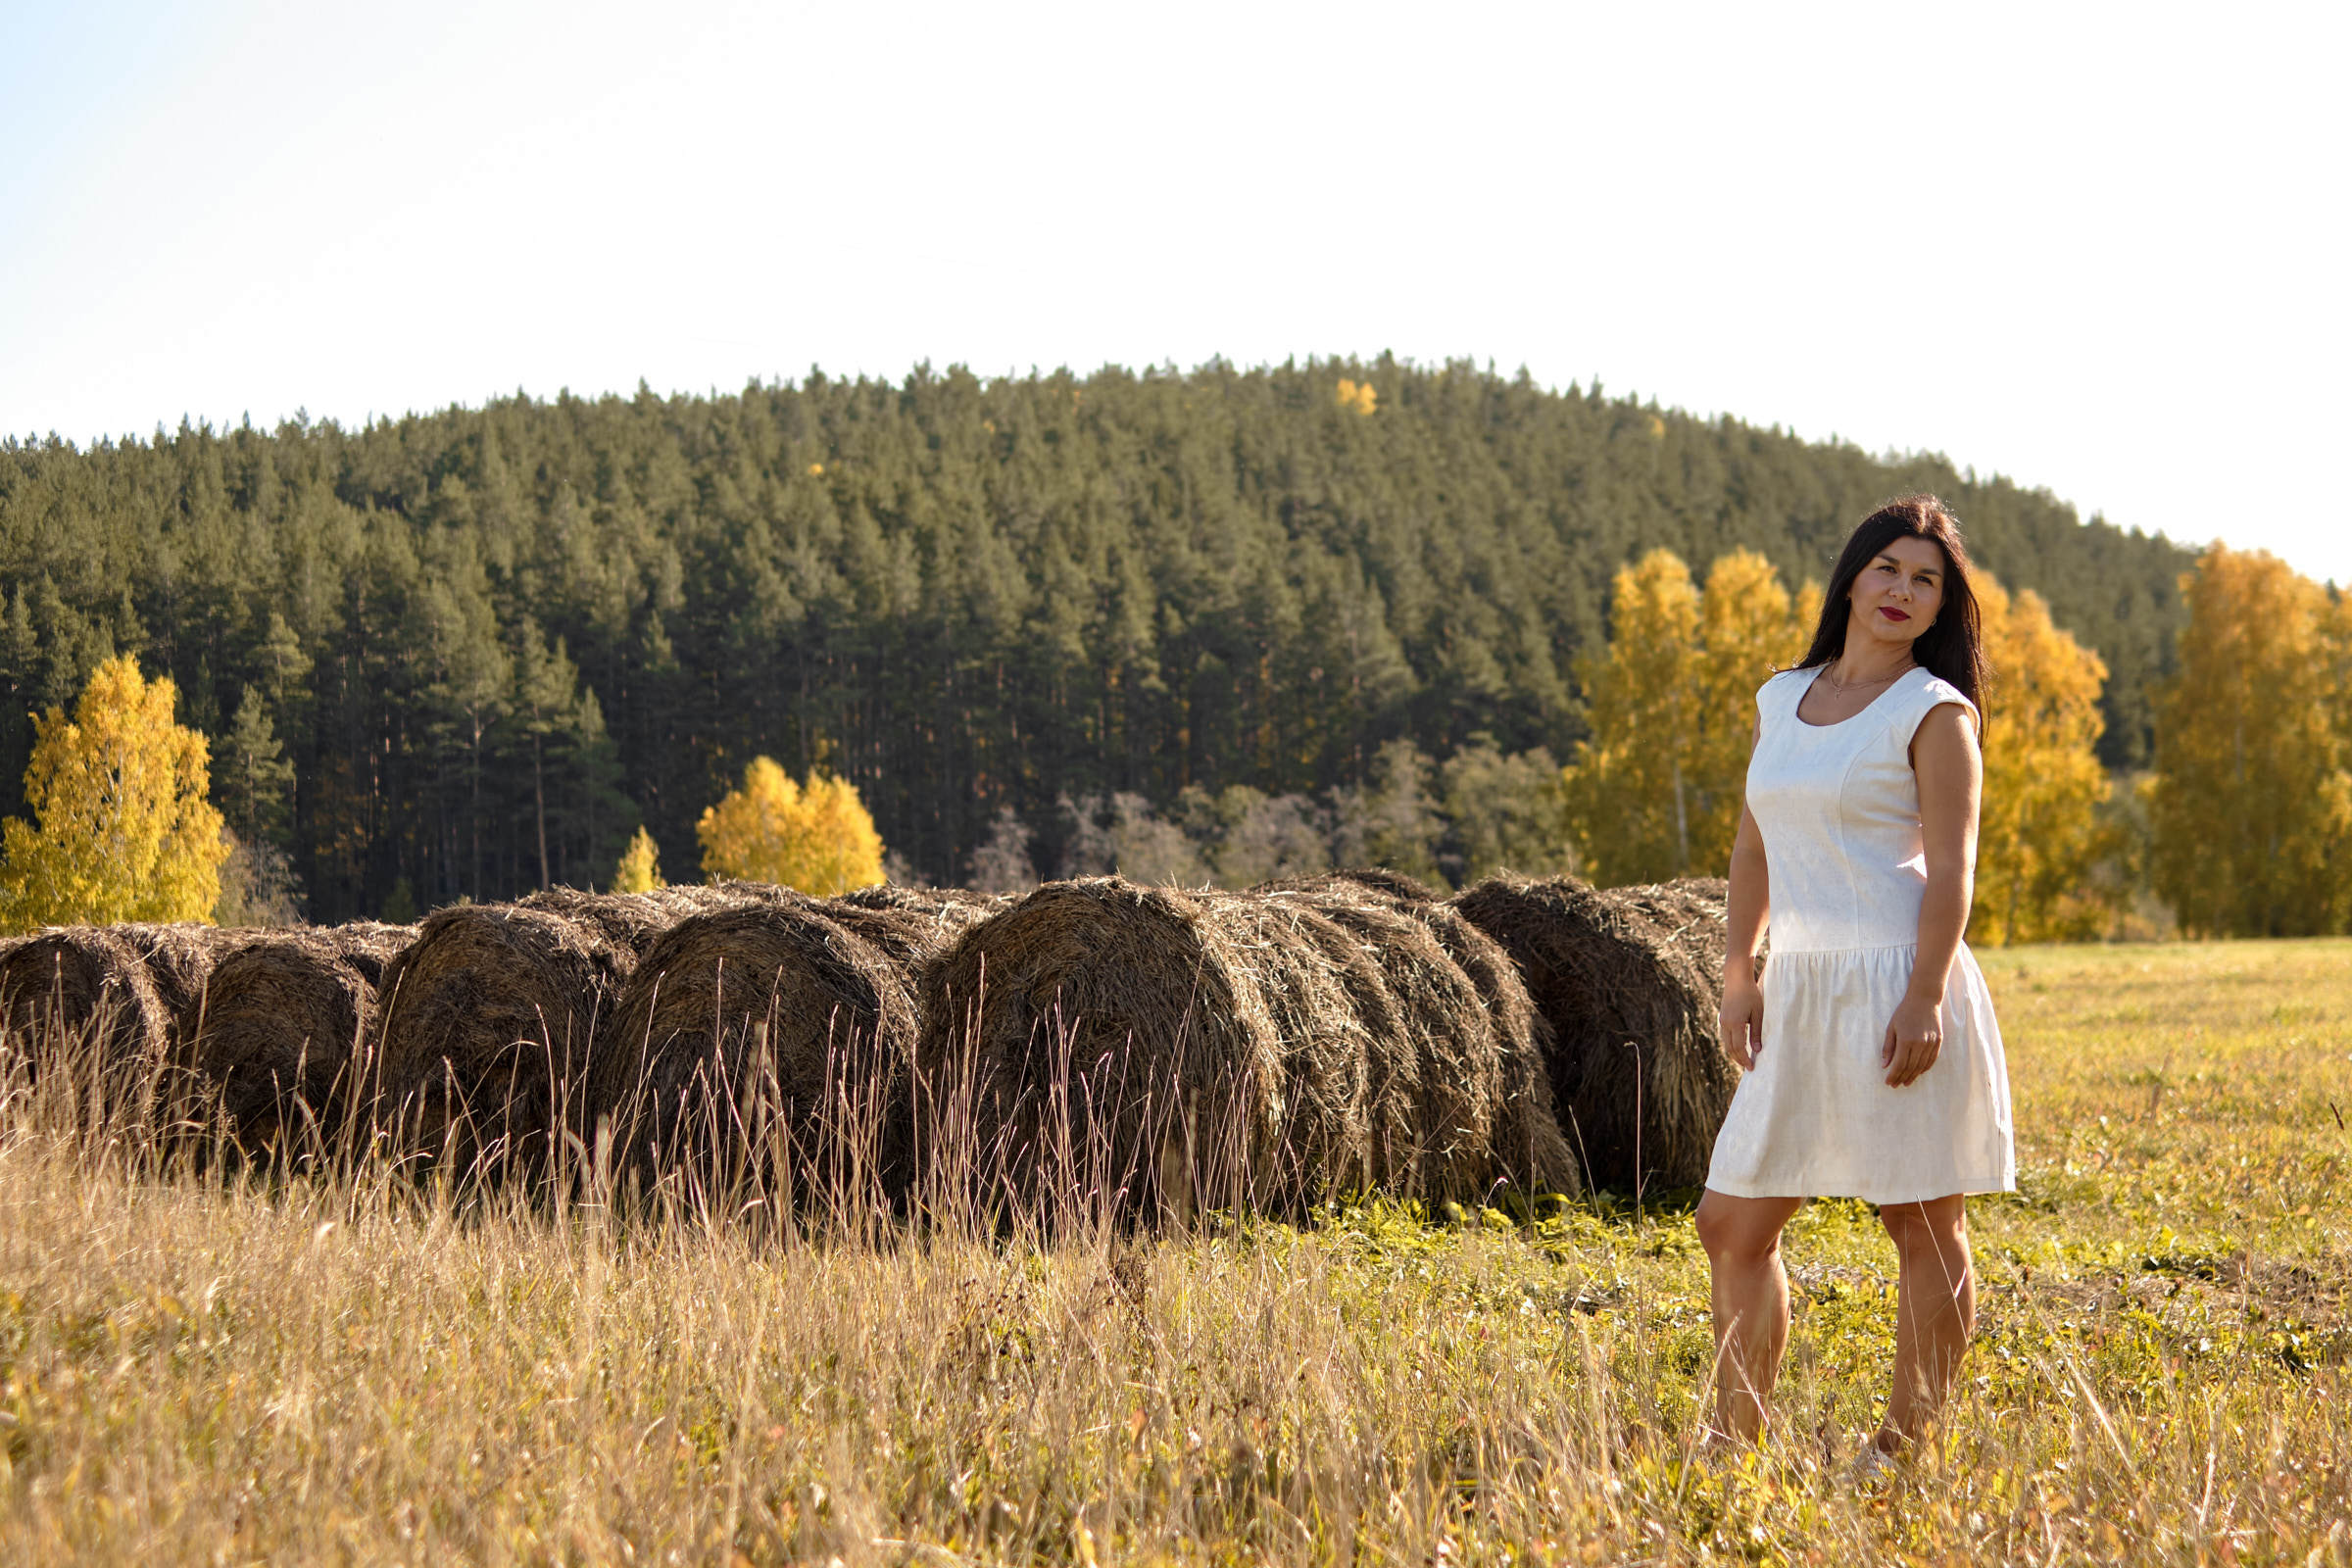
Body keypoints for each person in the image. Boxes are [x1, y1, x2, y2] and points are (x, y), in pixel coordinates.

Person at [1695, 495, 2016, 1482]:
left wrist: (1924, 995)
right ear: (1852, 577)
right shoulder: (1778, 697)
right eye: (1888, 568)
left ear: (1938, 608)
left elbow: (1954, 871)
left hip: (1894, 981)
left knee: (1919, 1220)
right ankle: (1729, 1446)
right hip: (1797, 988)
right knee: (1731, 1219)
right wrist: (1739, 974)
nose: (1903, 591)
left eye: (1926, 581)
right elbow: (1753, 845)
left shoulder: (1935, 712)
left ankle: (1900, 1452)